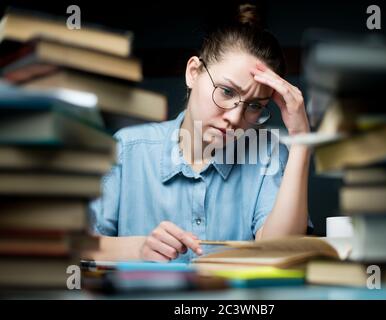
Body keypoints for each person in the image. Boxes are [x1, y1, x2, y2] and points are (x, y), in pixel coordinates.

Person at [87, 4, 312, 263]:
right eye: (227, 92)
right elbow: (78, 247)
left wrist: (301, 140)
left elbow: (280, 255)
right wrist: (138, 250)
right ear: (193, 73)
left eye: (254, 106)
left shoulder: (268, 155)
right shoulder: (128, 149)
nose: (234, 118)